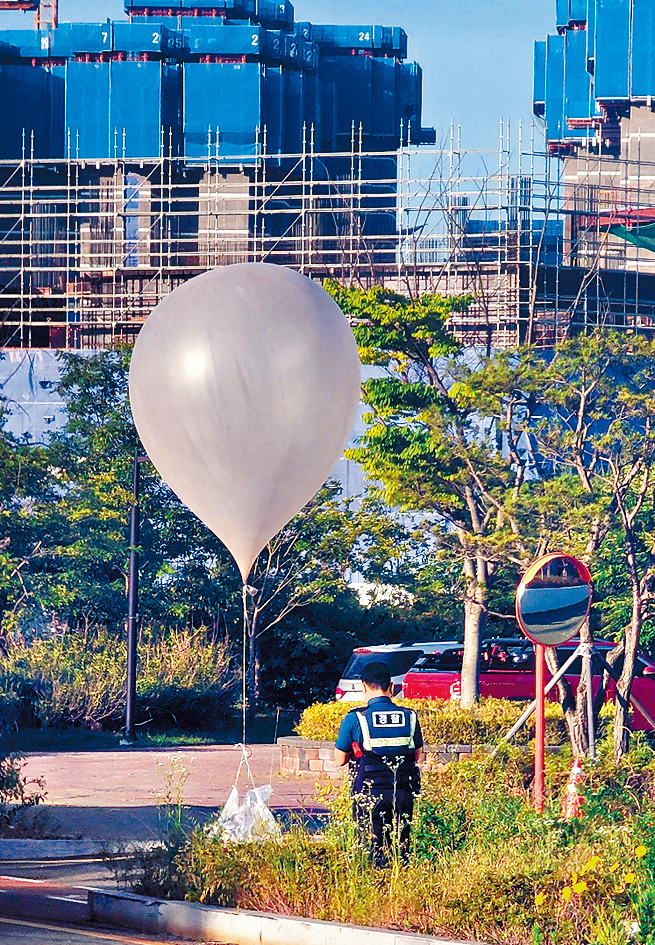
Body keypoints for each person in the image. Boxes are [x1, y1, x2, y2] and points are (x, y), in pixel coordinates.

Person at [334, 660, 423, 867]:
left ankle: (376, 884)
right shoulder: (410, 716)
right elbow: (416, 756)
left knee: (371, 849)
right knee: (401, 849)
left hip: (369, 795)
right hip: (403, 792)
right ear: (391, 687)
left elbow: (339, 759)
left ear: (363, 686)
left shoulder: (356, 718)